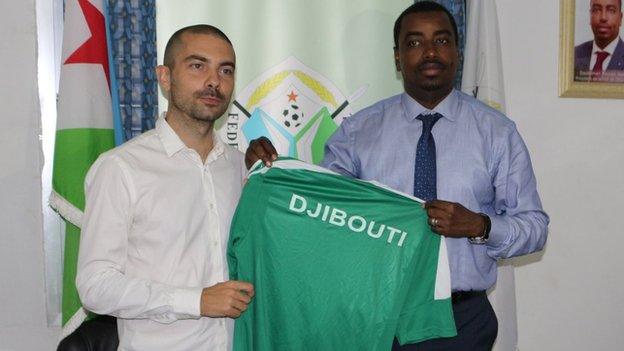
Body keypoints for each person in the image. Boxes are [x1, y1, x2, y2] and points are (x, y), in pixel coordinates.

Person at [246, 2, 549, 350]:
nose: (430, 52)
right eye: (415, 42)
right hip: (375, 318)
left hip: (461, 321)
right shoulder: (358, 132)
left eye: (442, 40)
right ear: (397, 57)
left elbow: (535, 227)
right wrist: (270, 171)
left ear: (458, 51)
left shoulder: (498, 133)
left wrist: (480, 226)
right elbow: (322, 216)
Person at [76, 25, 254, 351]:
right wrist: (195, 301)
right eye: (197, 66)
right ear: (165, 77)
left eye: (225, 70)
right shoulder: (121, 168)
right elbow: (95, 286)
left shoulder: (241, 168)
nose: (214, 81)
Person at [575, 0, 624, 82]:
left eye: (611, 10)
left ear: (620, 18)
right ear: (590, 15)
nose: (603, 17)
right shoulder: (573, 55)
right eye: (597, 10)